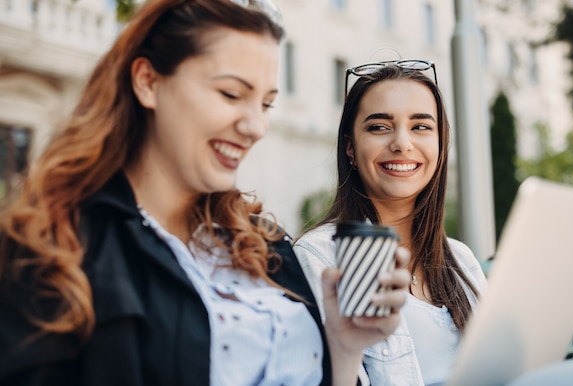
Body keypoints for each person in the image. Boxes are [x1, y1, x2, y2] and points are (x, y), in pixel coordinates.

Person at [0, 2, 411, 385]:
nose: (255, 126)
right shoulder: (56, 249)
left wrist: (343, 346)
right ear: (148, 82)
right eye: (231, 94)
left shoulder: (264, 245)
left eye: (266, 104)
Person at [293, 61, 488, 386]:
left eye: (421, 127)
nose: (402, 143)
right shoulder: (321, 256)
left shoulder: (462, 261)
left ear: (440, 146)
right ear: (350, 148)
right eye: (379, 127)